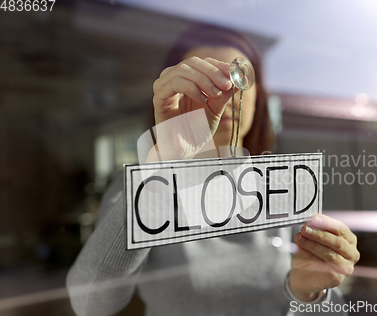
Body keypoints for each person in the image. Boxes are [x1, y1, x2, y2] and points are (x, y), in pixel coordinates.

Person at [67, 23, 360, 316]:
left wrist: (307, 294)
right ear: (176, 90)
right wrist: (162, 166)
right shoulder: (145, 183)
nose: (225, 91)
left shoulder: (283, 183)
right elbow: (89, 303)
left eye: (240, 76)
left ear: (258, 97)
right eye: (203, 78)